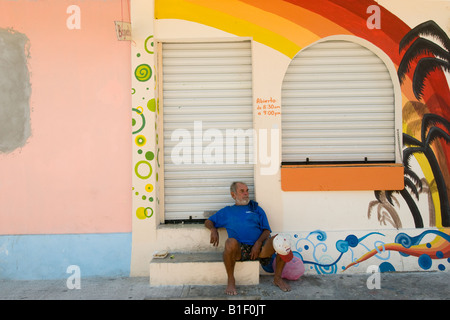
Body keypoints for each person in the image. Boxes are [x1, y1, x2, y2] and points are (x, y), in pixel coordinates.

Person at [205, 181, 291, 295]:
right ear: (233, 195)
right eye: (242, 191)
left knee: (280, 240)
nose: (246, 193)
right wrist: (213, 229)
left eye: (247, 191)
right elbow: (208, 221)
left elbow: (266, 230)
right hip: (240, 250)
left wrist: (258, 243)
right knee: (230, 242)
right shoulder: (227, 211)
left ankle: (278, 278)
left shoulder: (256, 209)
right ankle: (231, 280)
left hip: (260, 248)